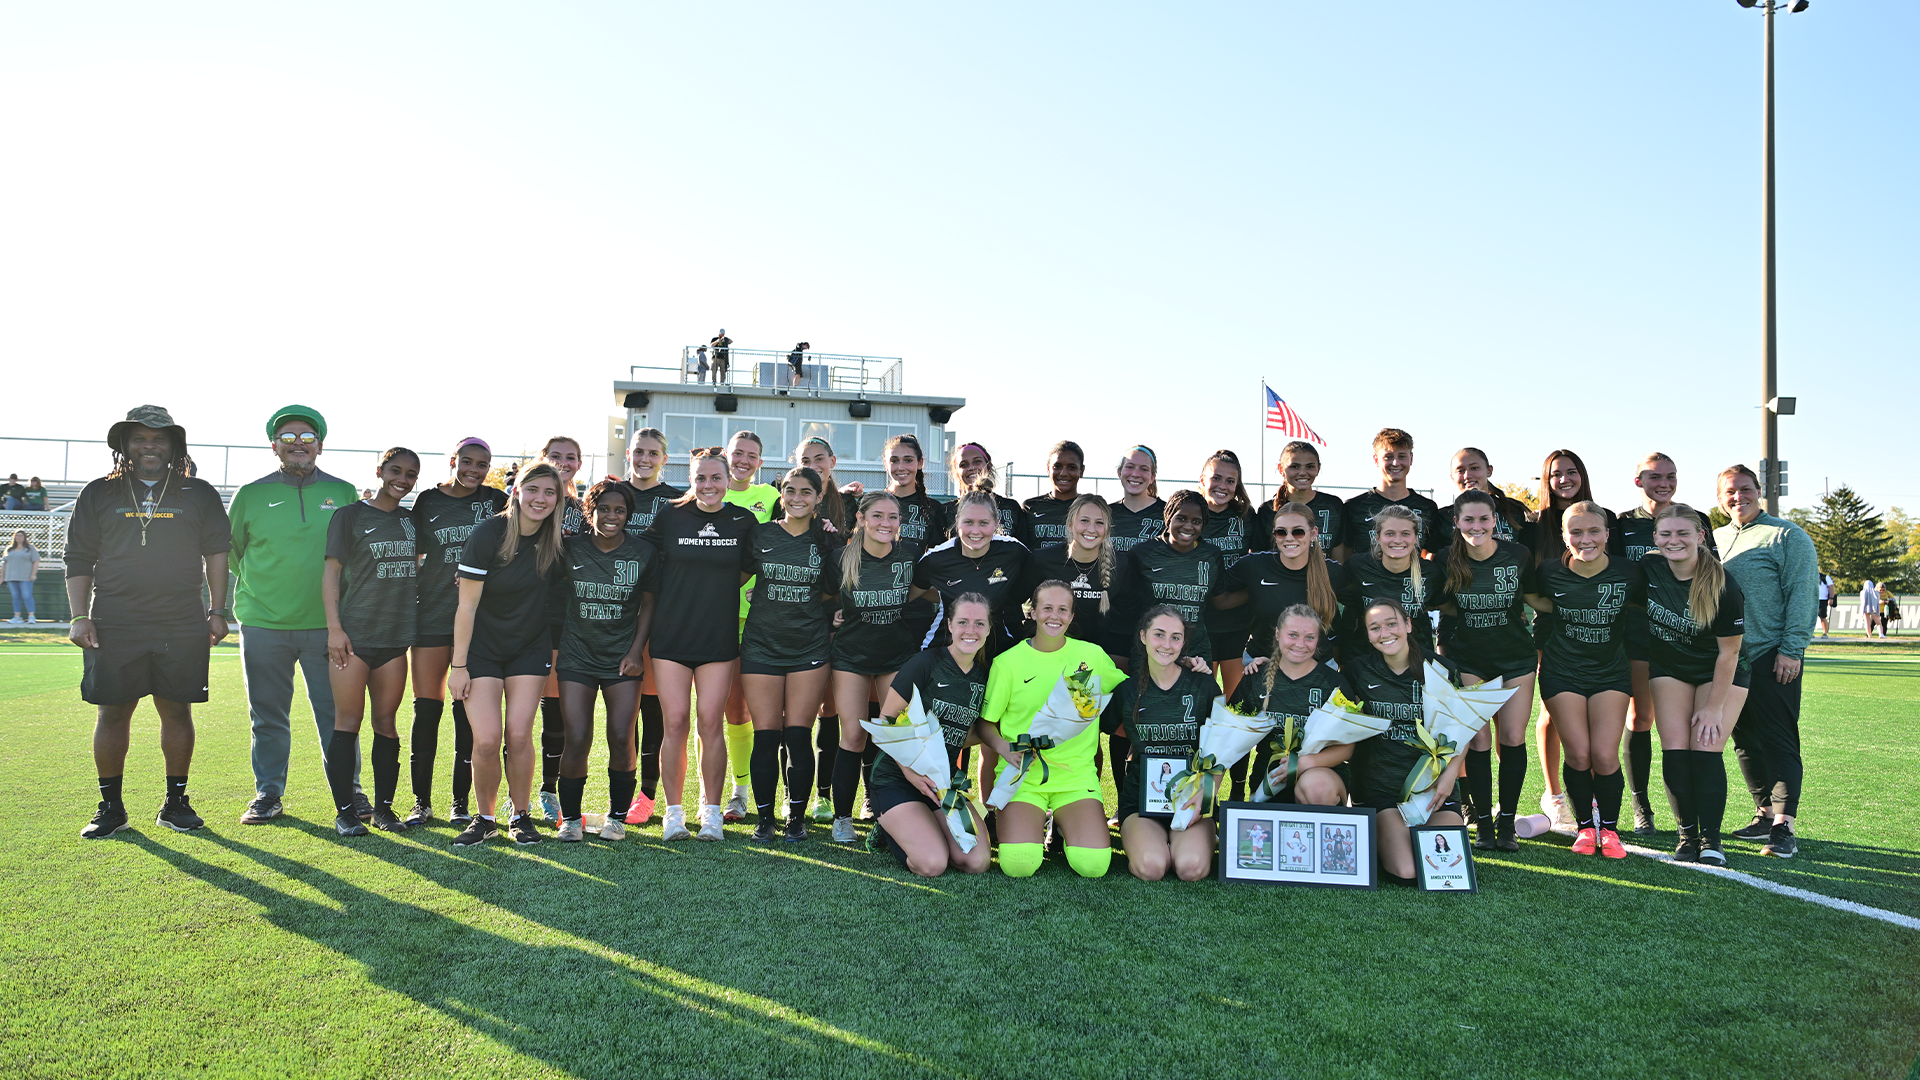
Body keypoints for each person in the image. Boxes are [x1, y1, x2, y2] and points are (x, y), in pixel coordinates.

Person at [67, 406, 231, 839]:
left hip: (180, 619)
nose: (149, 445)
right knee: (112, 711)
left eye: (159, 438)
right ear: (124, 445)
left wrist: (217, 610)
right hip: (115, 618)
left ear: (174, 445)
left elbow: (217, 552)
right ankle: (111, 807)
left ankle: (175, 803)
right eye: (139, 438)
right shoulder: (98, 493)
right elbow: (79, 556)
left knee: (176, 709)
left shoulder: (198, 492)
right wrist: (79, 616)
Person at [230, 405, 364, 826]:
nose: (298, 445)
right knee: (267, 714)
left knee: (338, 714)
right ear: (275, 446)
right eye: (288, 438)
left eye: (306, 437)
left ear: (320, 444)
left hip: (330, 626)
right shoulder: (250, 494)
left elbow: (358, 554)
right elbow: (231, 553)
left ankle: (351, 791)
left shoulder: (344, 492)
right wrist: (266, 589)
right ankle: (268, 792)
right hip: (263, 623)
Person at [448, 464, 567, 847]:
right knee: (485, 740)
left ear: (558, 499)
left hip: (529, 649)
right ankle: (484, 818)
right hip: (481, 651)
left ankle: (520, 815)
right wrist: (459, 666)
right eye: (533, 489)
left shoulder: (556, 541)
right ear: (516, 491)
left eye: (550, 493)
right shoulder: (489, 533)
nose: (540, 499)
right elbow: (465, 607)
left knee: (518, 734)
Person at [641, 448, 757, 840]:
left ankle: (711, 812)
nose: (709, 485)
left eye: (716, 478)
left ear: (728, 481)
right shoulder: (670, 515)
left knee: (711, 722)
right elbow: (640, 555)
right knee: (674, 722)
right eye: (701, 478)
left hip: (718, 637)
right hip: (671, 636)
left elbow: (748, 568)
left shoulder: (743, 520)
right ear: (691, 480)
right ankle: (673, 814)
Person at [983, 580, 1126, 879]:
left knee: (1094, 865)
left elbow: (1132, 685)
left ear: (1072, 616)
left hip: (1075, 777)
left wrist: (1190, 666)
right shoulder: (1007, 663)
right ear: (1033, 612)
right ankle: (1035, 821)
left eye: (1063, 609)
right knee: (1018, 864)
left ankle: (1063, 822)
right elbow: (986, 724)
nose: (1055, 616)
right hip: (1023, 777)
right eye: (1047, 608)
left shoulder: (1092, 656)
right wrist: (1003, 747)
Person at [1525, 500, 1643, 860]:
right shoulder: (1548, 571)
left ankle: (1609, 829)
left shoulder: (1630, 573)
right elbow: (1529, 595)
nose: (1585, 538)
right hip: (1563, 671)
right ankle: (1585, 828)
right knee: (1577, 754)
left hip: (1610, 672)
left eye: (1594, 531)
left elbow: (1645, 604)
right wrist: (1555, 607)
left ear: (1608, 534)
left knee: (1605, 755)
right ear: (1564, 536)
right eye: (1576, 532)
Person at [1715, 464, 1818, 859]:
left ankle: (1784, 826)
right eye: (1729, 491)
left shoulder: (1787, 535)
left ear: (1759, 491)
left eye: (1745, 489)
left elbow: (1802, 594)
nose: (1737, 496)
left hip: (1772, 654)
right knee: (1743, 741)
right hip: (1728, 659)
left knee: (1778, 738)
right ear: (1720, 497)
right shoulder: (1715, 538)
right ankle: (1763, 814)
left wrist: (1792, 649)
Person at [1612, 452, 1717, 833]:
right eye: (1655, 476)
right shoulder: (1621, 523)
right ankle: (1642, 809)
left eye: (1670, 476)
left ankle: (1691, 817)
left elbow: (1711, 572)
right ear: (1638, 480)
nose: (1664, 483)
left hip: (1689, 639)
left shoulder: (1696, 518)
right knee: (1641, 718)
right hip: (1640, 634)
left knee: (1688, 730)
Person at [319, 448, 422, 836]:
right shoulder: (350, 515)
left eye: (411, 474)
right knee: (348, 721)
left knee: (386, 722)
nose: (403, 478)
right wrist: (334, 629)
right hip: (353, 637)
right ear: (380, 471)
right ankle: (345, 812)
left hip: (394, 639)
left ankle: (383, 809)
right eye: (395, 470)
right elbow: (331, 574)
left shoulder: (413, 522)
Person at [826, 492, 940, 843]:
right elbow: (824, 598)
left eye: (893, 517)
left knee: (896, 737)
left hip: (895, 656)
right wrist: (833, 614)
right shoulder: (841, 558)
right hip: (850, 657)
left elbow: (931, 592)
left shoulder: (910, 557)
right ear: (860, 519)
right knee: (854, 736)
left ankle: (885, 813)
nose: (885, 523)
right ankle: (842, 818)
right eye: (877, 516)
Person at [408, 437, 507, 827]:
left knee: (468, 714)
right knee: (426, 710)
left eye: (482, 464)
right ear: (453, 461)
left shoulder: (498, 502)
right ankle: (420, 802)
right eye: (467, 461)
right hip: (432, 615)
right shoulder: (428, 502)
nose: (473, 470)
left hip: (479, 622)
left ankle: (460, 803)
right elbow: (412, 554)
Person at [1433, 490, 1538, 851]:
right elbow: (1440, 602)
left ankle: (1507, 822)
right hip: (1468, 658)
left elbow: (1534, 598)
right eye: (1468, 520)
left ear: (1495, 520)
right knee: (1477, 739)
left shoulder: (1518, 555)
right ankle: (1483, 823)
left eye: (1483, 519)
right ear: (1456, 522)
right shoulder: (1446, 558)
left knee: (1511, 737)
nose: (1476, 526)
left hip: (1516, 658)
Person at [740, 467, 840, 842]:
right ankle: (764, 819)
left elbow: (835, 591)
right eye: (790, 491)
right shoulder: (761, 533)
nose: (797, 497)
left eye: (806, 492)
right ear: (781, 495)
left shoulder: (827, 541)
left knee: (798, 735)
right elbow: (732, 576)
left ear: (818, 498)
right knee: (766, 736)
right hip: (762, 644)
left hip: (809, 646)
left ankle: (795, 819)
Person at [1643, 504, 1746, 865]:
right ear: (1654, 539)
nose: (1675, 541)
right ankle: (1686, 835)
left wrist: (1713, 707)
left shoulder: (1723, 585)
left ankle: (1711, 839)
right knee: (1674, 748)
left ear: (1701, 537)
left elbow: (1729, 655)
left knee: (1705, 746)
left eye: (1683, 533)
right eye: (1666, 534)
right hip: (1670, 667)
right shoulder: (1648, 569)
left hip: (1719, 670)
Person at [554, 481, 657, 842]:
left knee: (620, 735)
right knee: (577, 737)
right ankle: (570, 819)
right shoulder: (570, 548)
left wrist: (635, 652)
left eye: (620, 511)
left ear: (628, 515)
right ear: (590, 512)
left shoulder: (643, 551)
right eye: (604, 510)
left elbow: (649, 605)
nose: (612, 517)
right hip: (576, 656)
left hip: (621, 659)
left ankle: (616, 817)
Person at [867, 594, 995, 877]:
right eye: (962, 622)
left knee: (976, 862)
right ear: (949, 625)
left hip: (942, 784)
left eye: (979, 623)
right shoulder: (925, 663)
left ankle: (925, 825)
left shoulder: (984, 677)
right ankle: (888, 829)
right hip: (897, 780)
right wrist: (910, 772)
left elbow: (965, 732)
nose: (970, 631)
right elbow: (884, 722)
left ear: (988, 629)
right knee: (933, 863)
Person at [1342, 600, 1468, 884]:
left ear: (1408, 625)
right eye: (1374, 628)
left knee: (1443, 870)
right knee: (1407, 871)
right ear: (1367, 634)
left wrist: (1450, 777)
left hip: (1434, 790)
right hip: (1381, 790)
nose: (1384, 632)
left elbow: (1463, 729)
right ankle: (1382, 838)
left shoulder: (1441, 668)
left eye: (1391, 623)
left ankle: (1391, 839)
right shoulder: (1357, 671)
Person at [1524, 448, 1616, 831]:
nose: (1564, 479)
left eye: (1571, 472)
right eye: (1555, 473)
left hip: (1602, 631)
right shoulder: (1535, 524)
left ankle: (1591, 798)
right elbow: (1528, 582)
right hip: (1554, 629)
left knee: (1596, 721)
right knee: (1553, 712)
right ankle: (1555, 795)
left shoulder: (1603, 517)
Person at [1106, 607, 1220, 882]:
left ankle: (1184, 842)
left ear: (1183, 644)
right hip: (1142, 801)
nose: (1167, 645)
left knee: (1191, 868)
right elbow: (1094, 729)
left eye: (1175, 638)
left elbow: (1223, 747)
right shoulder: (1127, 690)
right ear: (1143, 636)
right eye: (1159, 635)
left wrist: (1208, 790)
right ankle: (1154, 842)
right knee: (1152, 867)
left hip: (1193, 799)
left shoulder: (1203, 685)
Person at [617, 427, 684, 826]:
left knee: (654, 712)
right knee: (621, 714)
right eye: (639, 451)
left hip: (659, 616)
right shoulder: (611, 493)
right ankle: (621, 790)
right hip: (610, 616)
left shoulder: (675, 501)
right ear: (629, 452)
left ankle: (647, 794)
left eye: (653, 452)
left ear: (664, 458)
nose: (645, 458)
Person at [719, 430, 782, 823]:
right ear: (726, 456)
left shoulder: (773, 498)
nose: (743, 460)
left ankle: (774, 794)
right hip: (716, 617)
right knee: (727, 710)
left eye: (751, 455)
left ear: (760, 462)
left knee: (770, 713)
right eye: (737, 453)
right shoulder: (705, 492)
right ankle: (736, 792)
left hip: (765, 617)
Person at [1232, 606, 1352, 806]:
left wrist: (1304, 763)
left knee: (1316, 788)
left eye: (1309, 637)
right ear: (1278, 634)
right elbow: (1228, 736)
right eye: (1293, 635)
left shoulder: (1333, 684)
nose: (1300, 644)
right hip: (1269, 781)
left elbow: (1347, 747)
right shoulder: (1256, 679)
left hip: (1321, 777)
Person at [1215, 500, 1346, 663]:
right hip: (1261, 663)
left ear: (1313, 533)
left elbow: (1355, 607)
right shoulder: (1254, 565)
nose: (1289, 538)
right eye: (1281, 532)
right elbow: (1217, 594)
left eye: (1298, 532)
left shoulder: (1331, 572)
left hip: (1317, 667)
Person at [534, 435, 587, 821]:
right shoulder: (526, 501)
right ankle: (517, 794)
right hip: (522, 617)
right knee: (519, 714)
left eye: (571, 457)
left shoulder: (582, 510)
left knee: (556, 710)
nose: (563, 462)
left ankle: (548, 790)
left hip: (564, 619)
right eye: (556, 456)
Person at [914, 484, 1032, 654]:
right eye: (968, 522)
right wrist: (944, 594)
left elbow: (1034, 584)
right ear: (957, 521)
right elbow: (913, 593)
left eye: (984, 523)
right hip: (944, 647)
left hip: (999, 648)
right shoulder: (936, 558)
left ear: (996, 523)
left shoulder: (1013, 551)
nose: (976, 531)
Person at [1114, 490, 1227, 663]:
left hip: (1196, 651)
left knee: (1208, 691)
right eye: (1181, 518)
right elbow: (1126, 605)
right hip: (1153, 651)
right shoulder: (1142, 553)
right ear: (1168, 518)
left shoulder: (1212, 555)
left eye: (1196, 521)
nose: (1188, 526)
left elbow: (1220, 599)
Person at [1337, 504, 1434, 663]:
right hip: (1364, 661)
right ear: (1377, 537)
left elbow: (1442, 604)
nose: (1397, 540)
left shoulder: (1430, 573)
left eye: (1405, 533)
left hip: (1415, 662)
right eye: (1390, 533)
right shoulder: (1357, 566)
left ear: (1416, 537)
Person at [1342, 428, 1443, 558]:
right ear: (1376, 459)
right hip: (1367, 577)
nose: (1395, 463)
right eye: (1388, 457)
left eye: (1402, 456)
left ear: (1411, 459)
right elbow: (1346, 555)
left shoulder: (1427, 507)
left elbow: (1428, 553)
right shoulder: (1354, 507)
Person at [1255, 441, 1345, 556]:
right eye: (1295, 466)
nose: (1302, 472)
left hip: (1322, 574)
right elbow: (1258, 558)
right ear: (1281, 469)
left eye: (1310, 466)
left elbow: (1339, 557)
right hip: (1279, 574)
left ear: (1318, 468)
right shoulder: (1268, 510)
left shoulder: (1334, 505)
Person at [1444, 448, 1527, 542]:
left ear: (1489, 471)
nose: (1467, 475)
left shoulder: (1512, 510)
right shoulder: (1444, 516)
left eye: (1474, 468)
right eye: (1460, 471)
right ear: (1452, 477)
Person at [946, 442, 1023, 538]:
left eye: (977, 461)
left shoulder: (1011, 507)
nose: (971, 467)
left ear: (989, 466)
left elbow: (1022, 548)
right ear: (957, 472)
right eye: (964, 465)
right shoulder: (946, 511)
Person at [1020, 440, 1085, 546]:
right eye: (1057, 466)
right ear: (1048, 469)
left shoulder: (1091, 507)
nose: (1063, 473)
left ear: (1081, 471)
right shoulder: (1031, 506)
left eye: (1071, 467)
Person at [1108, 446, 1166, 553]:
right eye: (1130, 467)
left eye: (1144, 469)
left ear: (1152, 477)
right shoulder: (1105, 513)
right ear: (1119, 472)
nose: (1135, 474)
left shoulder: (1168, 514)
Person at [6, 529, 39, 624]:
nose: (19, 537)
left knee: (27, 595)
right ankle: (17, 616)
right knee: (15, 596)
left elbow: (36, 561)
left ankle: (31, 616)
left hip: (25, 577)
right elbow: (5, 563)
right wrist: (2, 577)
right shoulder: (10, 549)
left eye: (21, 536)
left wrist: (33, 574)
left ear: (24, 537)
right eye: (17, 535)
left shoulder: (30, 548)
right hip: (11, 577)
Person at [1815, 572, 1833, 638]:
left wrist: (1831, 598)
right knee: (1811, 617)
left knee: (1823, 616)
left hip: (1823, 600)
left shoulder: (1825, 577)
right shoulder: (1810, 576)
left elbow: (1831, 587)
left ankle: (1825, 633)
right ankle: (1811, 633)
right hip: (1812, 599)